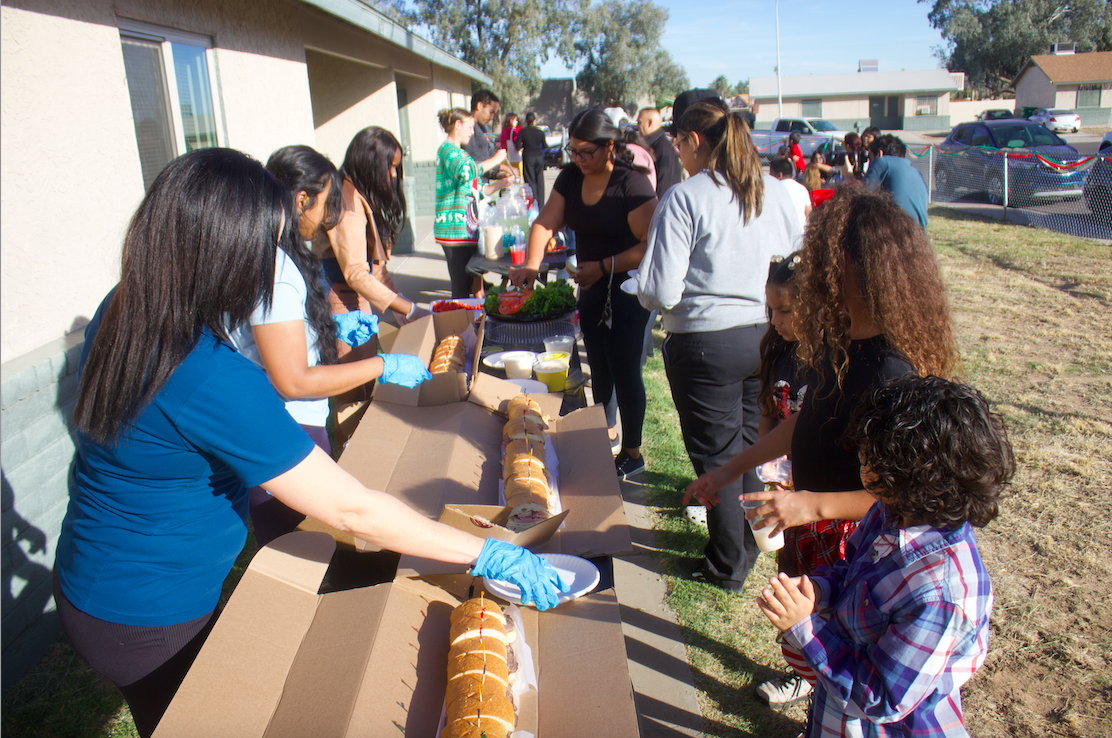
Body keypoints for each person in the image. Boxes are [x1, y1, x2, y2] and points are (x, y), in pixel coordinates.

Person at [53, 148, 567, 738]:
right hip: (148, 612)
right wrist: (486, 554)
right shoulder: (209, 377)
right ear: (223, 253)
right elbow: (352, 510)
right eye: (260, 250)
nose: (266, 268)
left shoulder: (125, 307)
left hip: (95, 575)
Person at [684, 184, 957, 644]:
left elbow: (901, 496)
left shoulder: (893, 372)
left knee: (837, 652)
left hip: (853, 541)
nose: (816, 271)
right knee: (805, 642)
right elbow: (807, 420)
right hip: (811, 523)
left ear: (861, 268)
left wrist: (809, 504)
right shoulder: (841, 341)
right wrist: (731, 470)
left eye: (827, 259)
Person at [758, 375, 1013, 737]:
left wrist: (804, 628)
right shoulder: (894, 511)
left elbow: (879, 698)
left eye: (872, 459)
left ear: (918, 474)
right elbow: (852, 571)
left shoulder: (941, 595)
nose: (862, 463)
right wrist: (818, 590)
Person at [230, 145, 433, 545]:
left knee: (311, 535)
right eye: (326, 204)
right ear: (302, 199)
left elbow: (274, 335)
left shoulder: (277, 253)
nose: (328, 218)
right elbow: (292, 380)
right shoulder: (274, 266)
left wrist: (332, 328)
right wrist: (383, 366)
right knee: (297, 545)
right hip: (283, 423)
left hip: (289, 420)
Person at [639, 103, 804, 591]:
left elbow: (661, 291)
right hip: (771, 335)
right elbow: (800, 264)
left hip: (706, 343)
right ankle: (754, 540)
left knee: (718, 456)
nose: (677, 155)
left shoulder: (685, 197)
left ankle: (729, 562)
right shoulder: (776, 191)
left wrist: (641, 285)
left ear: (693, 140)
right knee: (754, 446)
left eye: (678, 145)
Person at [509, 109, 658, 479]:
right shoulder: (571, 179)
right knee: (600, 366)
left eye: (585, 152)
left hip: (628, 290)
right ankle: (604, 434)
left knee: (625, 370)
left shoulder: (631, 184)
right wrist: (531, 264)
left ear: (610, 146)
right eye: (573, 152)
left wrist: (605, 265)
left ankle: (633, 452)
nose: (577, 159)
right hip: (592, 286)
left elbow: (651, 244)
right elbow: (546, 222)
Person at [315, 127, 426, 344]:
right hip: (339, 305)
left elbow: (376, 269)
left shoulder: (356, 193)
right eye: (390, 167)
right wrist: (410, 310)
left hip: (353, 300)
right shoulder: (346, 201)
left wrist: (399, 303)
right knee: (357, 373)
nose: (394, 175)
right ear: (370, 163)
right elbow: (356, 273)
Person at [435, 107, 512, 298]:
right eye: (470, 127)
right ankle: (459, 325)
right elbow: (466, 172)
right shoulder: (447, 151)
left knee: (469, 284)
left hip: (465, 231)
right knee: (461, 288)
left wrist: (502, 183)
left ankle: (468, 324)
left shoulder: (461, 154)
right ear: (457, 125)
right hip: (455, 231)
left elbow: (476, 191)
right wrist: (495, 159)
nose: (472, 132)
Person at [865, 134, 929, 230]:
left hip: (897, 232)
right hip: (918, 235)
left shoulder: (882, 161)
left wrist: (848, 174)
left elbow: (860, 192)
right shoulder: (916, 172)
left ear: (879, 154)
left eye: (870, 158)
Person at [462, 89, 513, 182]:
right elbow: (472, 157)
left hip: (483, 186)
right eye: (491, 112)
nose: (492, 117)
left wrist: (496, 175)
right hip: (471, 190)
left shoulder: (483, 128)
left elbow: (484, 162)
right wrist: (501, 166)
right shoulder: (468, 127)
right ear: (480, 106)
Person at [637, 107, 682, 197]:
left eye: (639, 122)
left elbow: (664, 182)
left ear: (649, 123)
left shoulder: (663, 148)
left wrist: (656, 208)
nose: (637, 126)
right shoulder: (653, 145)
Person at [517, 112, 549, 208]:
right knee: (540, 180)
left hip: (528, 156)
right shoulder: (540, 132)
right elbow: (545, 145)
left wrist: (525, 145)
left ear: (526, 121)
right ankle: (541, 205)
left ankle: (533, 203)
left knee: (530, 181)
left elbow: (517, 146)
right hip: (539, 156)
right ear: (534, 121)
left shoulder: (522, 132)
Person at [769, 156, 812, 224]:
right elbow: (808, 213)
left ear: (780, 174)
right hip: (801, 231)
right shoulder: (802, 188)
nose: (769, 176)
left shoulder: (774, 188)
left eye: (771, 173)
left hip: (782, 231)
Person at [500, 111, 522, 178]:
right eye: (516, 120)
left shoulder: (503, 130)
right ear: (511, 120)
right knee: (517, 175)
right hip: (513, 155)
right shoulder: (513, 130)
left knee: (508, 175)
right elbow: (516, 142)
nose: (517, 122)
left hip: (505, 156)